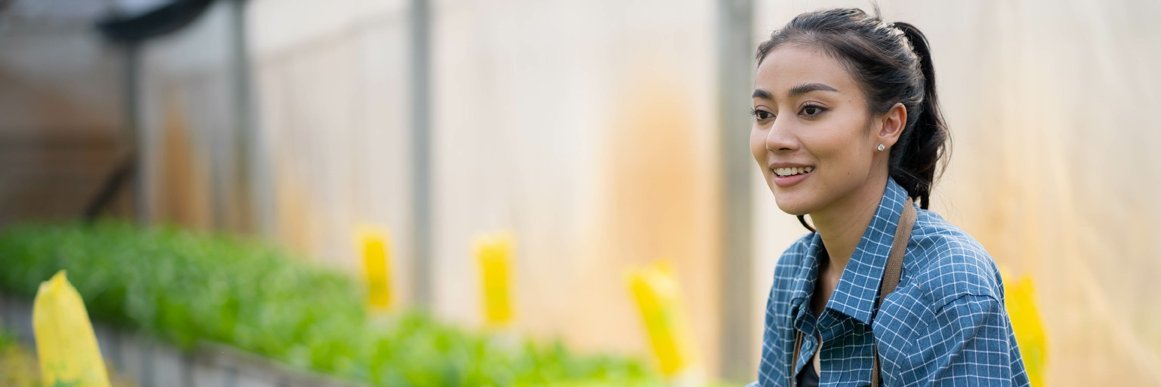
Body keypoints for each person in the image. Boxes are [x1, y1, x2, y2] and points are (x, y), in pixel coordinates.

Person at [748, 8, 1029, 387]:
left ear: (888, 124)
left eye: (811, 110)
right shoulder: (794, 272)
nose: (775, 138)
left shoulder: (947, 286)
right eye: (763, 114)